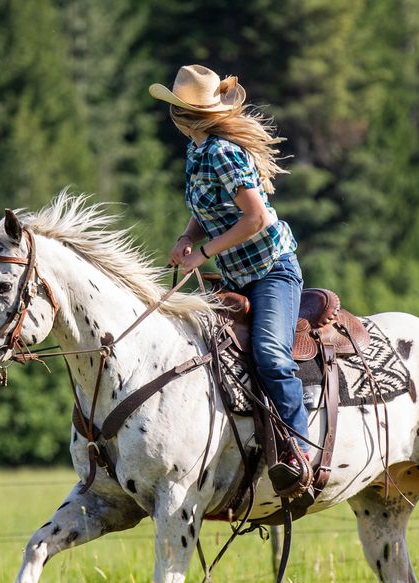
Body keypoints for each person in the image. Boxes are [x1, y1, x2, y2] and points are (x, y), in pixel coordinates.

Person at [149, 64, 316, 497]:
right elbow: (208, 208)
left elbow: (256, 218)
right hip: (237, 273)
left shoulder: (222, 151)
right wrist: (188, 237)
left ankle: (300, 452)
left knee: (270, 355)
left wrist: (202, 253)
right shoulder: (197, 150)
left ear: (183, 115)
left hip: (270, 271)